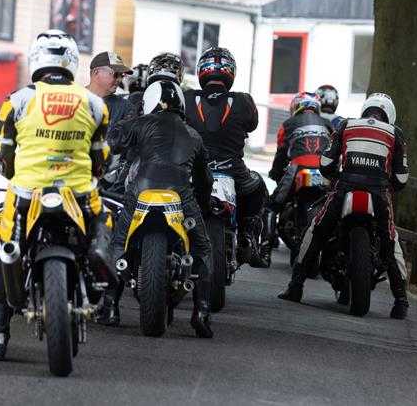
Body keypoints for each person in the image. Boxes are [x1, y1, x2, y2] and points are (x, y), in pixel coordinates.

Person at [0, 29, 115, 360]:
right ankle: (99, 255)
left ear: (36, 61)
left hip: (27, 193)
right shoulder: (96, 105)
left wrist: (16, 172)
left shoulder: (16, 100)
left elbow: (1, 154)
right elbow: (103, 158)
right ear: (72, 63)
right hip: (79, 193)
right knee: (103, 218)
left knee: (4, 251)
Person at [278, 93, 411, 320]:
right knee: (390, 241)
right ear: (390, 114)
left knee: (316, 230)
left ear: (365, 110)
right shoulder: (396, 134)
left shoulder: (346, 125)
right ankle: (401, 302)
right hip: (379, 192)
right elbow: (401, 178)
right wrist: (385, 182)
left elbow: (326, 163)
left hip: (345, 187)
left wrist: (339, 176)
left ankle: (296, 286)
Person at [105, 80, 215, 338]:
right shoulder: (194, 135)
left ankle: (110, 306)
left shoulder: (142, 123)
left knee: (118, 242)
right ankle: (201, 312)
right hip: (181, 196)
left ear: (150, 103)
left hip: (141, 191)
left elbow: (114, 140)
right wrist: (204, 201)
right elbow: (204, 180)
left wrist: (128, 120)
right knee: (202, 249)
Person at [183, 47, 270, 267]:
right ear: (231, 72)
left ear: (202, 69)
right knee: (260, 188)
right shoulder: (244, 101)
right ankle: (247, 234)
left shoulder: (187, 97)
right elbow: (253, 124)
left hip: (193, 170)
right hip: (234, 170)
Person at [267, 91, 333, 215]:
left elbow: (281, 153)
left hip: (298, 167)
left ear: (296, 106)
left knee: (272, 206)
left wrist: (275, 172)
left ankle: (268, 234)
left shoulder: (287, 124)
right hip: (324, 170)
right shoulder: (328, 124)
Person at [86, 51, 134, 128]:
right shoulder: (72, 100)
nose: (120, 80)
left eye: (122, 75)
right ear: (96, 72)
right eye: (116, 74)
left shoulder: (125, 108)